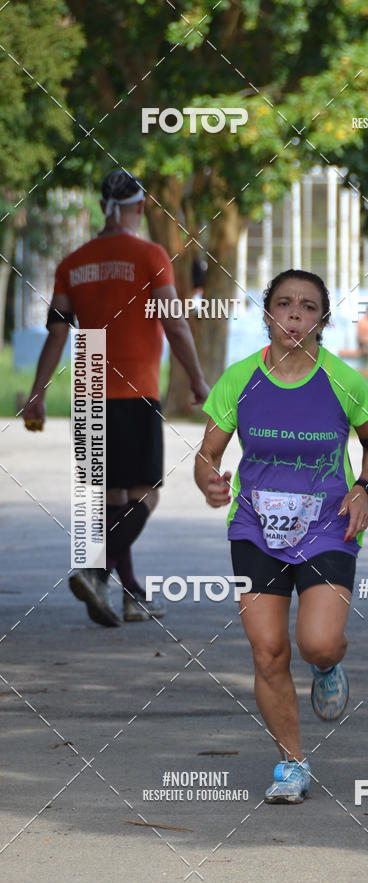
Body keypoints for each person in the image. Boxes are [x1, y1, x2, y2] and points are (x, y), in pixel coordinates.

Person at [194, 269, 368, 804]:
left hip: (329, 526)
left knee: (317, 642)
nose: (295, 315)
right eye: (284, 304)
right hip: (255, 529)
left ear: (323, 320)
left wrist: (362, 489)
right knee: (268, 651)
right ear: (267, 314)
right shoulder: (240, 378)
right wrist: (210, 482)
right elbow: (207, 454)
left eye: (308, 307)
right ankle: (292, 762)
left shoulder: (344, 380)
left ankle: (328, 666)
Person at [23, 169, 209, 626]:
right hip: (133, 391)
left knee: (110, 502)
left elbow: (55, 336)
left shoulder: (73, 262)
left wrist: (37, 395)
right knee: (145, 495)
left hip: (89, 390)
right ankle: (94, 570)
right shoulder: (150, 254)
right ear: (139, 208)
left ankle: (130, 595)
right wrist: (199, 381)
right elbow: (175, 323)